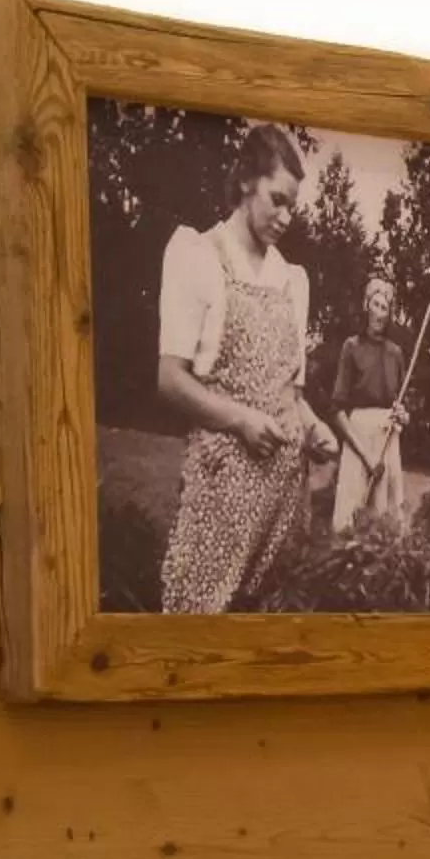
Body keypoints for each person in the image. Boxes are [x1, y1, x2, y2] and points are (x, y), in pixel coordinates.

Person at [152, 124, 328, 613]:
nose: (286, 217)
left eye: (293, 205)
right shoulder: (199, 257)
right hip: (221, 496)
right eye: (277, 200)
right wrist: (242, 420)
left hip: (283, 503)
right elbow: (170, 380)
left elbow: (290, 392)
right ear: (247, 181)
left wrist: (314, 427)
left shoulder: (291, 280)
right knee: (200, 623)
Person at [330, 279, 413, 531]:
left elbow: (402, 406)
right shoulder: (351, 347)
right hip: (358, 437)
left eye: (384, 307)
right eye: (375, 305)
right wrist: (367, 456)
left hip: (387, 438)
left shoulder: (395, 353)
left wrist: (402, 414)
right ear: (366, 306)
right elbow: (337, 411)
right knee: (351, 517)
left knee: (386, 519)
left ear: (389, 314)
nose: (379, 313)